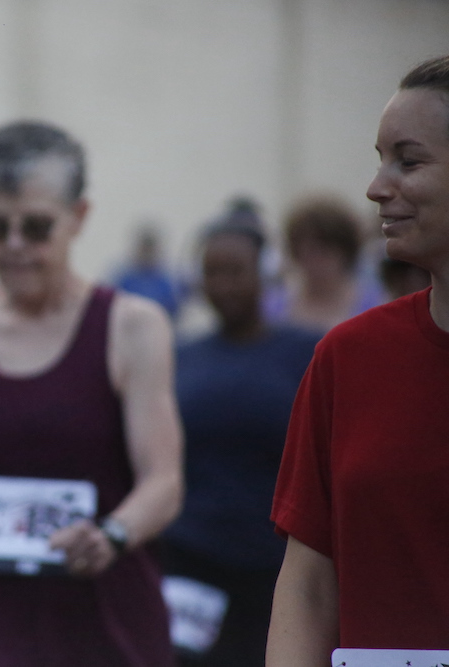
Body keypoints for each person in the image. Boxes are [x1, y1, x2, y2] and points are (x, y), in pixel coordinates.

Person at [0, 121, 183, 667]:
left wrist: (111, 532)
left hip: (99, 628)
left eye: (36, 228)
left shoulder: (130, 327)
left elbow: (165, 480)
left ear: (79, 217)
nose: (13, 247)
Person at [266, 54, 449, 664]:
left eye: (409, 160)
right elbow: (310, 584)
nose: (376, 187)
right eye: (379, 161)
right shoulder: (349, 359)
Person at [161, 221, 318, 666]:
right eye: (212, 272)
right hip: (189, 565)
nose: (223, 284)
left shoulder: (307, 352)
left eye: (235, 270)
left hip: (275, 566)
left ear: (265, 274)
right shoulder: (182, 358)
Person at [262, 195, 384, 332]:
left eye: (326, 250)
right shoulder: (272, 307)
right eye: (310, 250)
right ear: (295, 252)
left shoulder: (376, 304)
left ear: (346, 251)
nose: (317, 260)